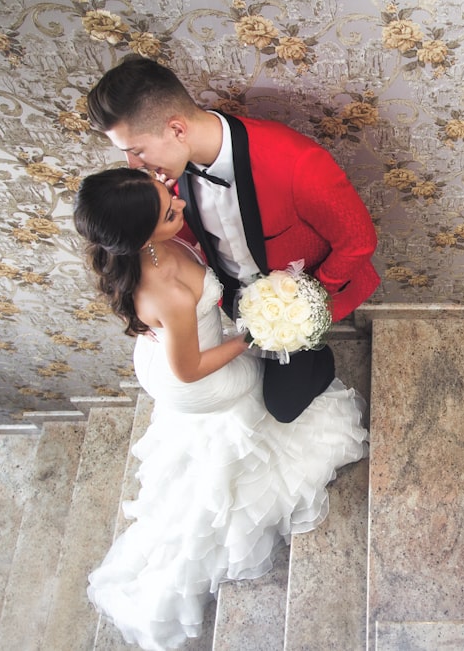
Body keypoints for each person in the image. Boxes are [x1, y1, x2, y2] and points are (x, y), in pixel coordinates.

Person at [74, 168, 369, 651]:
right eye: (169, 211)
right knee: (248, 415)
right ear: (142, 232)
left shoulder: (142, 245)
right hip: (203, 377)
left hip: (178, 351)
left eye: (168, 195)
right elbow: (190, 370)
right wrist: (250, 339)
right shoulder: (164, 291)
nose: (181, 206)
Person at [86, 55, 380, 423]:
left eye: (138, 150)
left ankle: (317, 357)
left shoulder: (296, 165)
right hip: (228, 303)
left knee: (284, 408)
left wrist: (306, 304)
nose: (134, 165)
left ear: (177, 130)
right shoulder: (160, 187)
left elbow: (358, 240)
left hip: (293, 305)